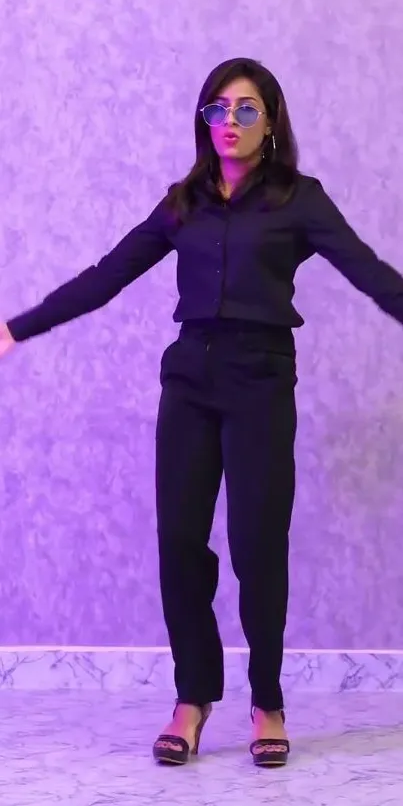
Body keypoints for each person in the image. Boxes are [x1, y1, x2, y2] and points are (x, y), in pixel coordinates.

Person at [1, 57, 403, 769]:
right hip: (188, 379)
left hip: (259, 379)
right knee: (180, 544)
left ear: (270, 120)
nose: (229, 121)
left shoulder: (298, 199)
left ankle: (267, 701)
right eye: (216, 108)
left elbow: (370, 271)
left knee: (256, 547)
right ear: (203, 120)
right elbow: (107, 273)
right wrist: (16, 328)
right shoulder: (183, 201)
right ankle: (193, 696)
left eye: (245, 108)